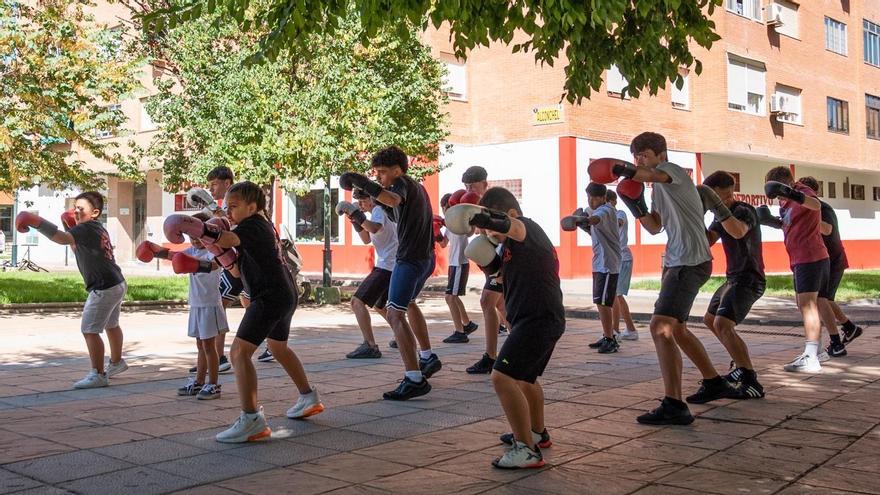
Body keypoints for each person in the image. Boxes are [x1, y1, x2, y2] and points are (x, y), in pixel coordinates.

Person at [589, 133, 738, 425]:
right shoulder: (657, 188)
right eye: (636, 157)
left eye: (643, 155)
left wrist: (622, 169)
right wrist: (636, 206)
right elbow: (655, 227)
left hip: (690, 261)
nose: (639, 161)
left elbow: (651, 174)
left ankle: (674, 403)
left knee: (660, 328)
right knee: (677, 329)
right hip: (677, 261)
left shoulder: (672, 172)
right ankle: (713, 381)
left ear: (660, 153)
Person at [166, 181, 324, 443]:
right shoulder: (257, 227)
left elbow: (229, 237)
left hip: (269, 296)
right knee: (278, 348)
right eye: (227, 206)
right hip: (283, 294)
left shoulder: (253, 224)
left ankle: (251, 419)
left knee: (239, 352)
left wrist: (199, 229)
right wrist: (216, 249)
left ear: (253, 206)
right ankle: (308, 397)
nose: (229, 211)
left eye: (234, 206)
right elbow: (237, 270)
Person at [445, 187, 565, 469]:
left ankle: (526, 449)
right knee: (526, 379)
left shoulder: (528, 230)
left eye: (491, 229)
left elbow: (511, 227)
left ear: (510, 215)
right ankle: (536, 432)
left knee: (501, 376)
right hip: (536, 318)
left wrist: (479, 216)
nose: (489, 235)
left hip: (538, 319)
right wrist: (490, 266)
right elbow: (502, 280)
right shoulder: (511, 248)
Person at [339, 146, 441, 400]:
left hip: (408, 259)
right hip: (422, 257)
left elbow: (391, 200)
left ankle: (414, 378)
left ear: (397, 170)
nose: (380, 178)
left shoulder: (403, 185)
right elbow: (386, 212)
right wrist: (357, 212)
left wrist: (363, 183)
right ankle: (427, 357)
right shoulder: (412, 188)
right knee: (406, 306)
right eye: (377, 174)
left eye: (382, 173)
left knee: (395, 313)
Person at [16, 192, 128, 388]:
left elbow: (62, 239)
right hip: (116, 282)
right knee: (111, 324)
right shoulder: (98, 228)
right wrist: (70, 226)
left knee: (89, 330)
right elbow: (78, 248)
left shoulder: (85, 228)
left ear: (95, 212)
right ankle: (117, 363)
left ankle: (98, 374)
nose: (76, 211)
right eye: (75, 207)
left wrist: (36, 221)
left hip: (103, 286)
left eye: (81, 209)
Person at [762, 167, 841, 373]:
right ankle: (818, 352)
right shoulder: (786, 202)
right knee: (806, 304)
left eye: (780, 192)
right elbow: (791, 225)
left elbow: (815, 206)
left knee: (808, 306)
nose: (778, 197)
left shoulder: (802, 191)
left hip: (810, 256)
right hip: (801, 258)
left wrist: (792, 193)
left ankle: (811, 356)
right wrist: (772, 222)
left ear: (786, 185)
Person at [701, 171, 765, 398]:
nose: (714, 203)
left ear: (728, 192)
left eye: (717, 197)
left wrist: (719, 209)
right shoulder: (720, 215)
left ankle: (751, 381)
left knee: (723, 324)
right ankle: (739, 365)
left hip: (749, 278)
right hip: (732, 278)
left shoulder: (743, 210)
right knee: (710, 320)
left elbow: (738, 231)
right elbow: (708, 240)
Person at [166, 212, 228, 400]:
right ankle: (199, 381)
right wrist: (154, 251)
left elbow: (215, 265)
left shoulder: (213, 251)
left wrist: (192, 265)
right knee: (200, 345)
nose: (195, 241)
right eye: (191, 237)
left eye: (198, 236)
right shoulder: (192, 251)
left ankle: (214, 384)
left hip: (210, 305)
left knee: (210, 347)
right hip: (196, 304)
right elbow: (174, 256)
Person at [798, 176, 863, 349]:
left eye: (803, 190)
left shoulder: (822, 208)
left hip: (833, 260)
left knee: (822, 298)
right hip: (824, 259)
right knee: (825, 298)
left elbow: (827, 229)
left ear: (812, 192)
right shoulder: (808, 209)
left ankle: (836, 342)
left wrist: (808, 221)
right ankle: (849, 328)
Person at [460, 166, 511, 374]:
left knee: (487, 302)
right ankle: (522, 343)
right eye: (466, 185)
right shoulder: (473, 204)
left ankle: (491, 356)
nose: (469, 188)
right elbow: (472, 231)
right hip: (489, 260)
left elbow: (502, 231)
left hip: (501, 258)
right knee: (501, 305)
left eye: (473, 185)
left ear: (484, 183)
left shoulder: (495, 203)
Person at [337, 188, 398, 358]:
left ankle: (370, 345)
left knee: (357, 302)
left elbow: (374, 228)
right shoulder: (377, 212)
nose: (361, 205)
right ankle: (401, 335)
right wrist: (355, 218)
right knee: (380, 306)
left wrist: (356, 213)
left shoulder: (379, 210)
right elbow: (366, 239)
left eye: (363, 201)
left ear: (372, 199)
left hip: (387, 265)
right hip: (390, 264)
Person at [562, 183, 621, 354]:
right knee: (599, 301)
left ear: (603, 197)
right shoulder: (592, 210)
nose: (592, 201)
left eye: (595, 197)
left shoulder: (607, 210)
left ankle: (611, 339)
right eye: (589, 197)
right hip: (599, 262)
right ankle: (607, 335)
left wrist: (580, 220)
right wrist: (582, 223)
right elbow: (593, 229)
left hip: (609, 263)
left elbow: (595, 219)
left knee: (604, 302)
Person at [440, 192, 479, 344]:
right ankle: (467, 324)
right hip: (454, 263)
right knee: (453, 297)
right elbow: (443, 243)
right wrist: (435, 231)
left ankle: (459, 332)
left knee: (450, 297)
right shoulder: (450, 223)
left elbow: (470, 232)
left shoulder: (459, 221)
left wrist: (471, 216)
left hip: (460, 263)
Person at [606, 190, 638, 340]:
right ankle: (627, 329)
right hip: (616, 259)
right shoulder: (606, 216)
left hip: (623, 259)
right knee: (616, 295)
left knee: (617, 295)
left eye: (607, 202)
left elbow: (618, 222)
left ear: (613, 202)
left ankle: (617, 330)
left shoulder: (620, 214)